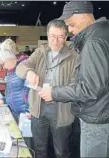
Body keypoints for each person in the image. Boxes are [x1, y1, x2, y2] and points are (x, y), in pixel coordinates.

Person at [37, 2, 109, 158]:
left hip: (96, 116)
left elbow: (91, 89)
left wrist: (54, 93)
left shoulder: (93, 42)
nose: (70, 29)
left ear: (81, 15)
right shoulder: (103, 33)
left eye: (70, 24)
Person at [16, 19, 77, 158]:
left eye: (60, 37)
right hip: (38, 109)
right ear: (47, 35)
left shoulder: (74, 57)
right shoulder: (40, 52)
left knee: (61, 151)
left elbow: (75, 88)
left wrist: (54, 93)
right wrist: (29, 72)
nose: (55, 41)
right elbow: (21, 67)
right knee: (39, 149)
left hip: (62, 110)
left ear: (66, 37)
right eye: (52, 36)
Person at [0, 39, 29, 123]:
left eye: (3, 64)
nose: (4, 67)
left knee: (27, 136)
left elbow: (31, 91)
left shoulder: (25, 65)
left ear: (9, 58)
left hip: (25, 114)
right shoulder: (10, 70)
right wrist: (3, 100)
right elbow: (12, 91)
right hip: (15, 112)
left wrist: (29, 111)